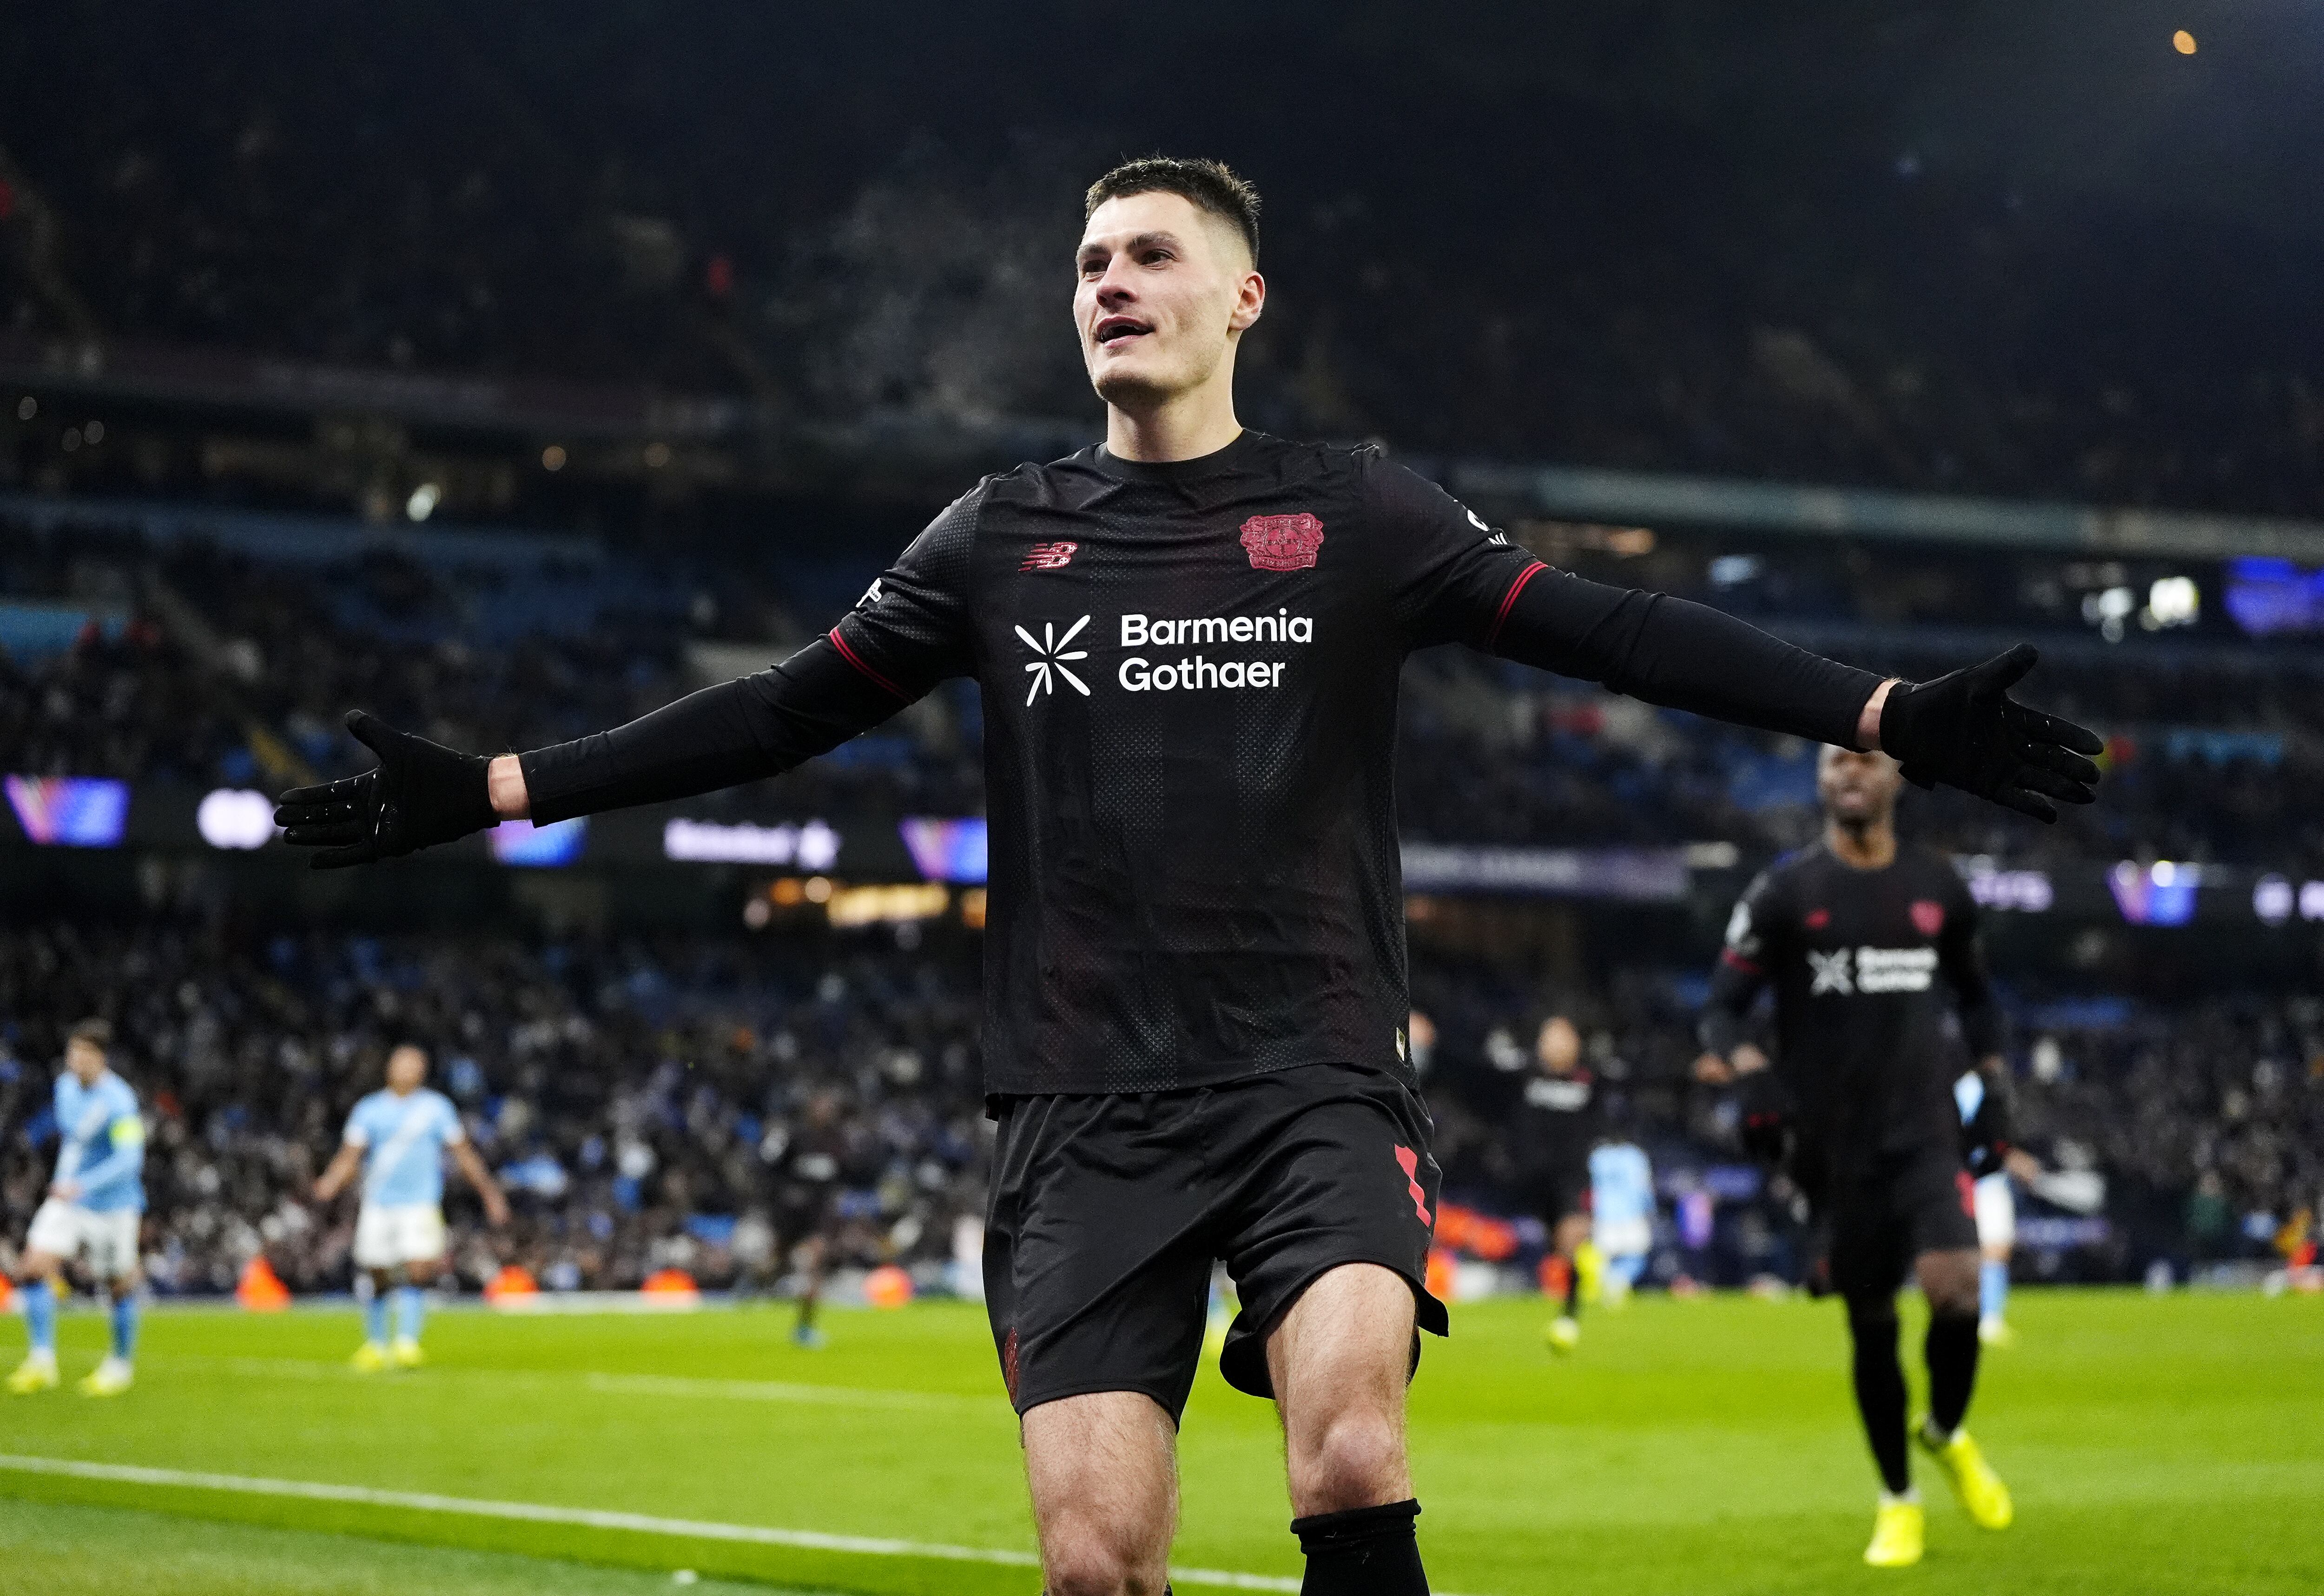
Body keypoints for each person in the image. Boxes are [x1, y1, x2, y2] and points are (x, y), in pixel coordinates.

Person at [275, 156, 2099, 1594]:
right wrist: (492, 786)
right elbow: (776, 714)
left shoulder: (1356, 511)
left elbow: (1609, 629)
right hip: (1079, 1105)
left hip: (1312, 1073)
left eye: (1148, 256)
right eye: (1087, 266)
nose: (1111, 287)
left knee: (1353, 1459)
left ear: (1240, 296)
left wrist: (1887, 707)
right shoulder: (1001, 535)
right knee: (1096, 1562)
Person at [1697, 744, 2027, 1570]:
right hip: (1833, 1148)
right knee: (1871, 1323)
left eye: (1866, 760)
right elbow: (1722, 1012)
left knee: (1957, 1285)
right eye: (1835, 759)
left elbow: (1979, 997)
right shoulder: (1785, 892)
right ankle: (1899, 1497)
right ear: (1819, 777)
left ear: (1898, 776)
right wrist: (1753, 1075)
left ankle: (1946, 1432)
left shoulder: (1937, 887)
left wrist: (1996, 1084)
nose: (1850, 771)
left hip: (1923, 1129)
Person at [313, 1044, 508, 1371]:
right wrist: (330, 1183)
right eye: (403, 1063)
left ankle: (406, 1342)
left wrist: (489, 1192)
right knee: (377, 1271)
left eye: (415, 1064)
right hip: (379, 1202)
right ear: (390, 1068)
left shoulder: (436, 1108)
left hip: (420, 1201)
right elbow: (351, 1155)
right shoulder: (370, 1109)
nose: (408, 1070)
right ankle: (376, 1344)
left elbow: (463, 1153)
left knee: (419, 1267)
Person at [7, 1019, 145, 1397]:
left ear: (100, 1057)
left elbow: (130, 1160)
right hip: (68, 1200)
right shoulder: (65, 1086)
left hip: (113, 1205)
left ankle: (119, 1365)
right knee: (33, 1267)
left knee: (118, 1285)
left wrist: (82, 1183)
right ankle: (42, 1360)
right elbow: (74, 1139)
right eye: (72, 1051)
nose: (75, 1059)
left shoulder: (121, 1101)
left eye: (83, 1053)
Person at [1515, 1013, 1603, 1351]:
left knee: (1570, 1239)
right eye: (1550, 1036)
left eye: (1564, 1037)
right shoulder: (1524, 1077)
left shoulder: (1589, 1081)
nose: (1557, 1044)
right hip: (1530, 1179)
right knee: (1550, 1246)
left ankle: (1570, 1312)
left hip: (1572, 1177)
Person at [1954, 1070, 2042, 1346]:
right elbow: (1981, 1135)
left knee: (1997, 1247)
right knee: (1986, 1249)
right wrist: (2008, 1155)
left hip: (1986, 1177)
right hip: (1973, 1178)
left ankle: (1988, 1319)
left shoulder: (1981, 1085)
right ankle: (1983, 1319)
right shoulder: (1967, 1086)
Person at [766, 1089, 850, 1350]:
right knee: (774, 1262)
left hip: (818, 1214)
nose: (825, 1112)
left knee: (814, 1261)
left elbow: (845, 1173)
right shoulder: (795, 1137)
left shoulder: (837, 1140)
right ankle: (751, 1285)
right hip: (790, 1212)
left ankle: (804, 1327)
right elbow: (771, 1168)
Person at [1587, 1130, 1656, 1308]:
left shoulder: (1598, 1156)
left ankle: (1605, 1285)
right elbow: (1643, 1187)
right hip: (1631, 1214)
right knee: (1637, 1257)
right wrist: (1650, 1208)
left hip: (1603, 1215)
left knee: (1602, 1257)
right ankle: (1615, 1283)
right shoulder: (1635, 1156)